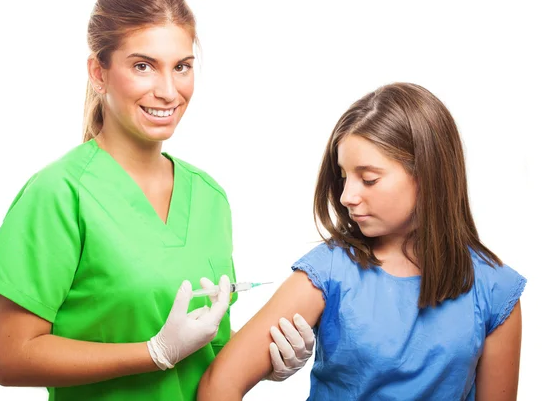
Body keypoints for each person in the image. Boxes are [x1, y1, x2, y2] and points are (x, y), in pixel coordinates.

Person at [0, 0, 312, 399]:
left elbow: (204, 342)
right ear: (99, 71)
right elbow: (10, 358)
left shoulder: (209, 197)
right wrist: (153, 353)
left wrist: (264, 360)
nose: (168, 91)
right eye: (143, 66)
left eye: (181, 66)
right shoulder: (59, 193)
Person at [197, 82, 527, 401]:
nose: (346, 196)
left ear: (427, 175)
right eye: (343, 177)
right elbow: (219, 385)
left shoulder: (495, 291)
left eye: (368, 179)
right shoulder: (328, 272)